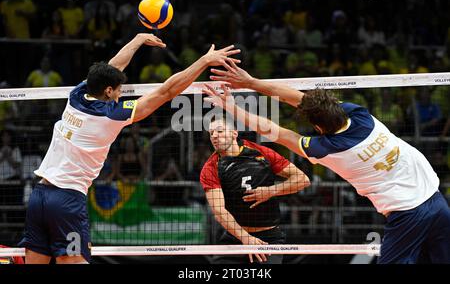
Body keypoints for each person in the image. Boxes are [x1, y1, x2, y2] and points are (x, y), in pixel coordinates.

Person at [18, 33, 240, 264]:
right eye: (118, 89)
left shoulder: (77, 95)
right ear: (108, 91)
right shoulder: (111, 115)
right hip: (66, 200)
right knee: (72, 262)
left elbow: (113, 65)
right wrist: (204, 61)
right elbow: (166, 92)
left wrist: (138, 39)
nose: (121, 92)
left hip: (39, 195)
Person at [204, 60, 450, 264]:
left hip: (408, 212)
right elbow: (303, 102)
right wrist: (250, 83)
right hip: (437, 200)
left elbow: (272, 128)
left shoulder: (328, 149)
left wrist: (232, 106)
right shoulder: (360, 115)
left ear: (319, 128)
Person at [200, 115, 309, 264]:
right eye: (211, 133)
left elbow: (302, 180)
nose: (214, 136)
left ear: (234, 133)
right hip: (236, 238)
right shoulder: (211, 167)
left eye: (219, 131)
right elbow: (219, 211)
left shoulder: (261, 153)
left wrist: (271, 191)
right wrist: (246, 239)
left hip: (269, 238)